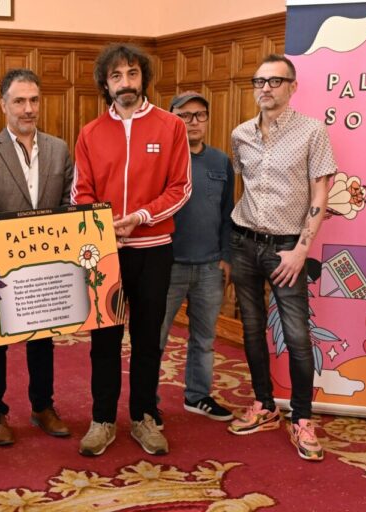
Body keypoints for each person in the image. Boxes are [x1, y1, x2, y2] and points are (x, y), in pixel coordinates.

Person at [71, 43, 191, 457]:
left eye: (133, 74)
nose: (126, 83)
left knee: (147, 338)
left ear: (144, 79)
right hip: (105, 252)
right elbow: (80, 192)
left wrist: (139, 217)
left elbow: (180, 188)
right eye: (117, 76)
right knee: (103, 340)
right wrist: (105, 227)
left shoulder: (171, 127)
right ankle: (102, 419)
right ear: (105, 83)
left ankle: (144, 416)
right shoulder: (89, 133)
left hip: (154, 251)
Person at [227, 54, 336, 462]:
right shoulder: (240, 135)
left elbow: (320, 195)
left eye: (275, 81)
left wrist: (301, 248)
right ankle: (264, 405)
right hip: (243, 242)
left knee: (296, 336)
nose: (266, 88)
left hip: (289, 248)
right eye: (259, 81)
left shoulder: (312, 132)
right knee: (253, 330)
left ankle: (302, 419)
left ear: (292, 86)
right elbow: (247, 184)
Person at [0, 68, 74, 445]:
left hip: (47, 266)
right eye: (19, 101)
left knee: (42, 339)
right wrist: (19, 249)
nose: (28, 109)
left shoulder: (60, 148)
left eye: (33, 100)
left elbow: (66, 204)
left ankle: (43, 406)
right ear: (3, 105)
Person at [158, 91, 234, 422]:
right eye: (185, 115)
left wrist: (226, 256)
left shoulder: (220, 162)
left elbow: (228, 211)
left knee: (204, 339)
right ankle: (146, 402)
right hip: (168, 264)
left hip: (209, 266)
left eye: (200, 115)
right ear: (172, 118)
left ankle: (197, 395)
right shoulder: (161, 159)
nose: (193, 122)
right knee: (155, 339)